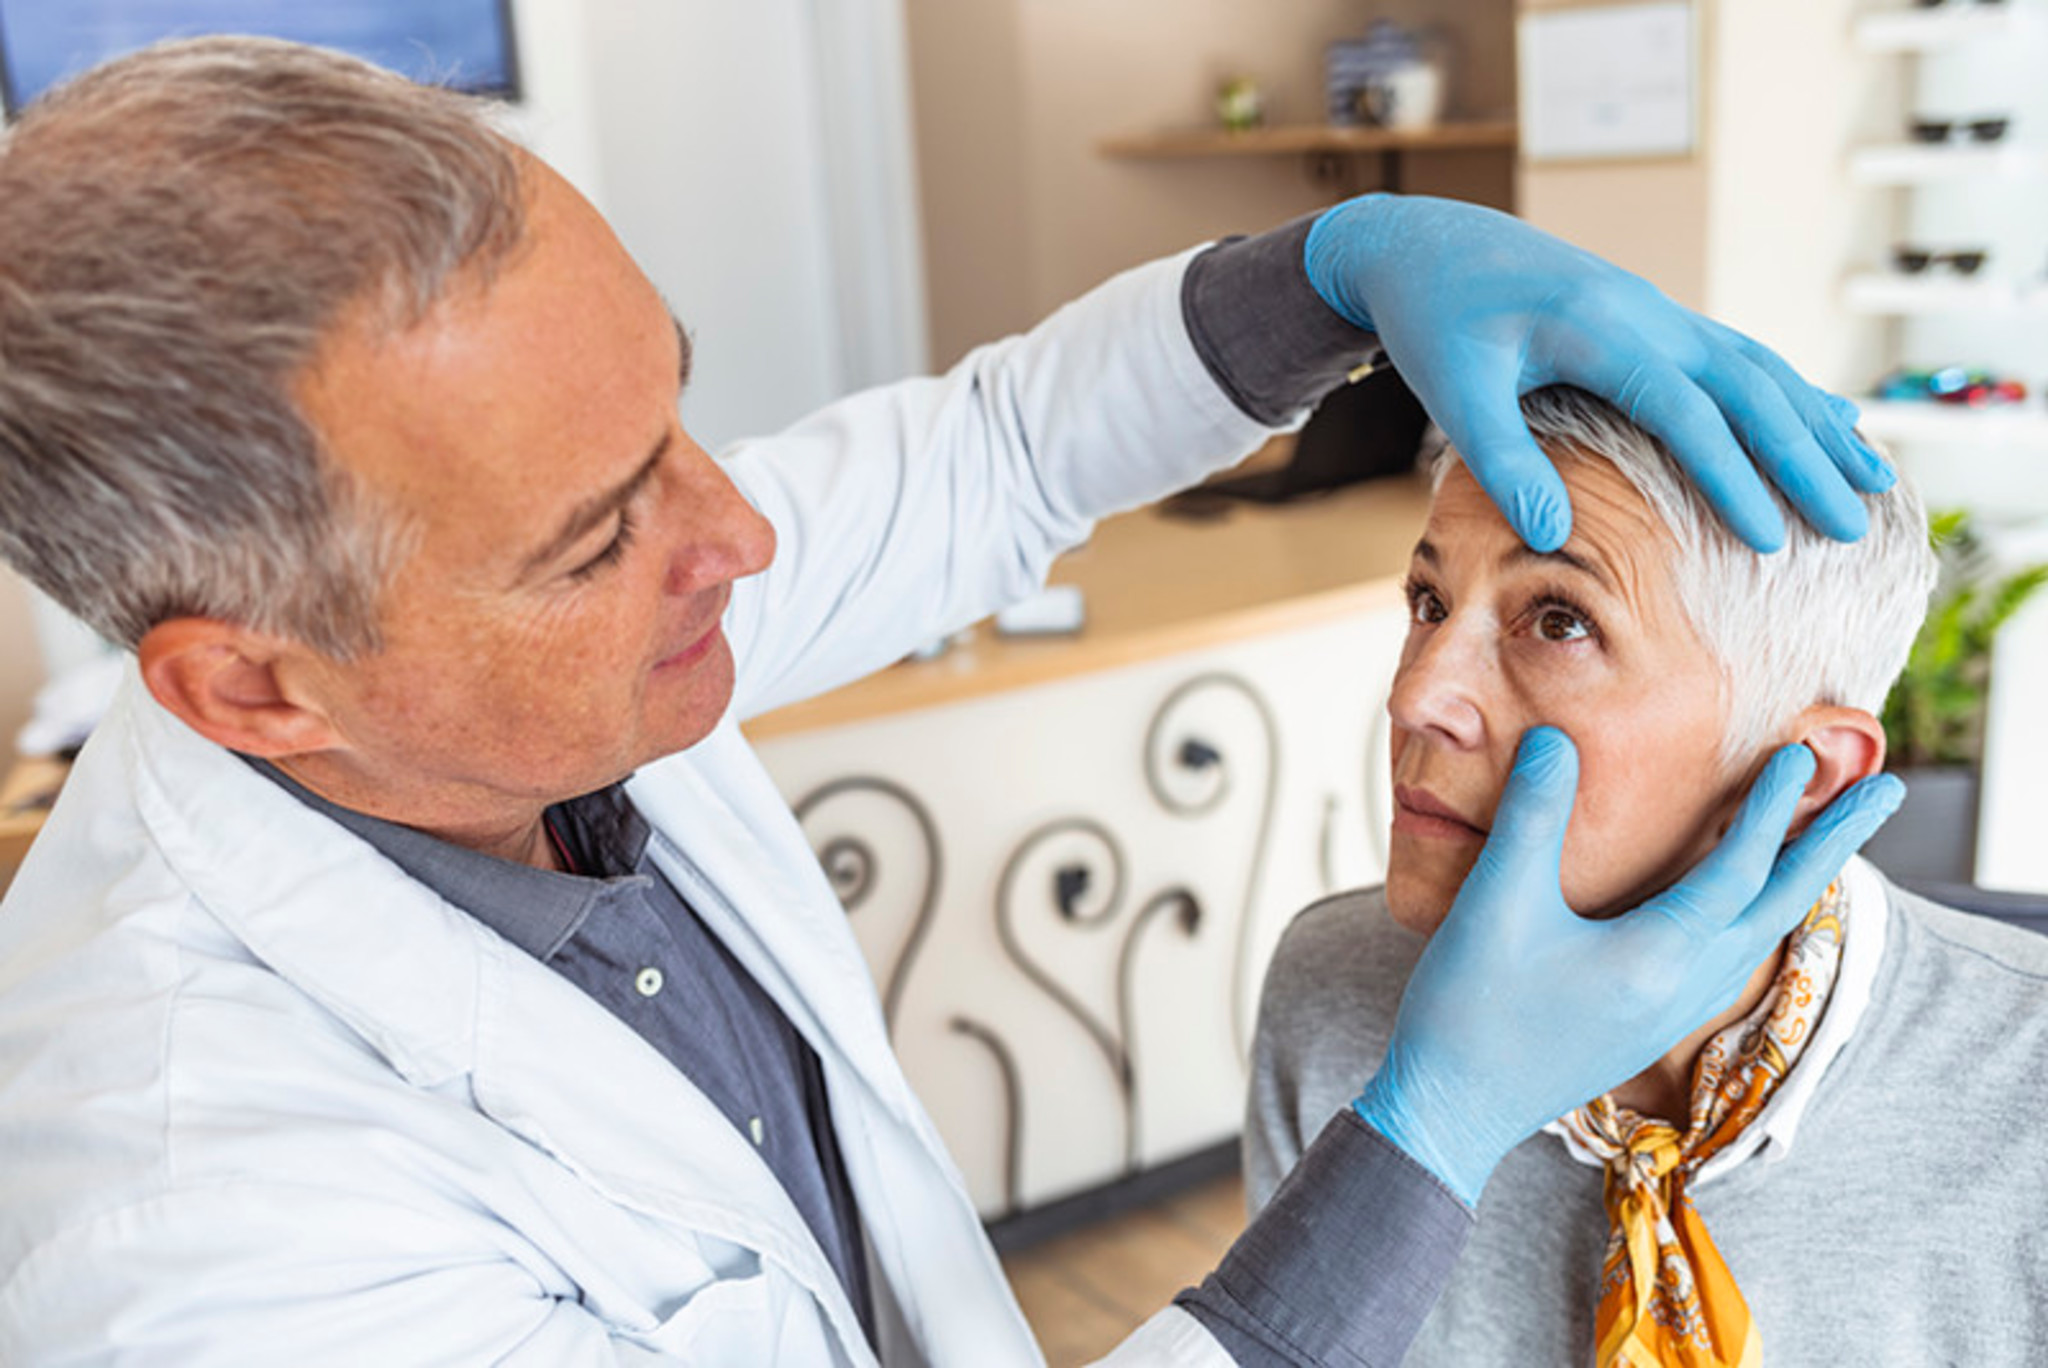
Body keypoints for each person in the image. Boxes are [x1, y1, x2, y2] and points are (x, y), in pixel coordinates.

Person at [0, 38, 1898, 1366]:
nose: (741, 533)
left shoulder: (491, 667)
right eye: (596, 537)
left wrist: (1331, 270)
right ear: (251, 685)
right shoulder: (201, 1234)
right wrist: (1429, 1135)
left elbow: (991, 457)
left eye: (676, 413)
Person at [1246, 386, 2048, 1366]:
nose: (1415, 695)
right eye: (1428, 602)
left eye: (1558, 621)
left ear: (1803, 779)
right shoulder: (1329, 994)